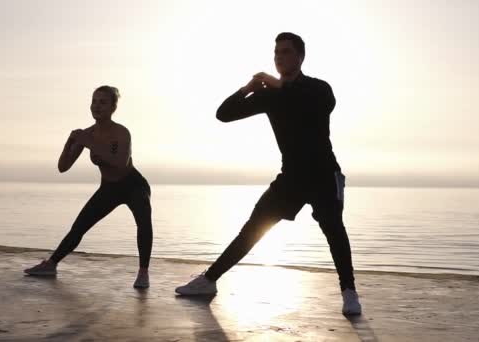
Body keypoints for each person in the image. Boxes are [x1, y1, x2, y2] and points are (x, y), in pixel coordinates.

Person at [175, 32, 362, 315]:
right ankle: (208, 281)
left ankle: (349, 293)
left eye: (285, 52)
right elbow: (223, 114)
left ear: (300, 57)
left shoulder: (318, 89)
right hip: (291, 178)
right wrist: (248, 87)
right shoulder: (270, 96)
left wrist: (274, 83)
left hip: (324, 174)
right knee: (253, 228)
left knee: (334, 230)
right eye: (276, 53)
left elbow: (317, 103)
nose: (279, 57)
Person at [24, 85, 153, 289]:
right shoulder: (87, 134)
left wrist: (89, 143)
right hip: (109, 188)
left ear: (113, 107)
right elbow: (63, 167)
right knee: (80, 226)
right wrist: (70, 141)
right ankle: (51, 264)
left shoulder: (121, 132)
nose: (97, 106)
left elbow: (120, 162)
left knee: (144, 223)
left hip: (133, 185)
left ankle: (143, 272)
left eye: (103, 102)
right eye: (94, 101)